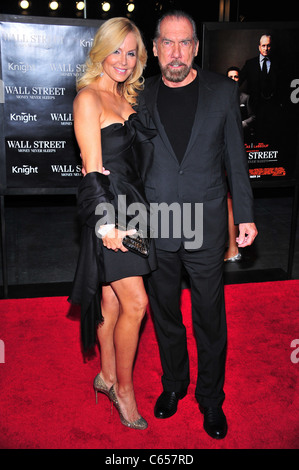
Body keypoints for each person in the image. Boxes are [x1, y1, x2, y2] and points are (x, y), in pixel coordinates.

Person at [136, 11, 258, 439]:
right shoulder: (140, 95)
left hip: (205, 223)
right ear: (154, 49)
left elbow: (236, 161)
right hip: (155, 222)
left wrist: (244, 214)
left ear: (196, 47)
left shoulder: (223, 91)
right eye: (167, 43)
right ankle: (174, 386)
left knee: (210, 316)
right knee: (165, 313)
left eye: (184, 42)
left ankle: (211, 398)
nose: (176, 52)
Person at [68, 17, 157, 430]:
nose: (123, 60)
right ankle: (124, 390)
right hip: (114, 216)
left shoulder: (129, 100)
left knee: (113, 302)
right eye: (116, 50)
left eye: (131, 52)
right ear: (101, 51)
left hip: (137, 212)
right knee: (137, 303)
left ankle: (105, 376)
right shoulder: (89, 98)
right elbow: (91, 171)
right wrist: (108, 229)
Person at [225, 66, 255, 262]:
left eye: (236, 77)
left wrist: (240, 125)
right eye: (230, 77)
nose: (234, 80)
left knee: (231, 202)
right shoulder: (220, 96)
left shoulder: (244, 97)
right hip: (222, 155)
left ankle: (233, 248)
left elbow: (254, 117)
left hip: (239, 155)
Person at [239, 34, 280, 142]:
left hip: (272, 109)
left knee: (271, 138)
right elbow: (238, 83)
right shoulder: (250, 64)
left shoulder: (278, 64)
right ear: (259, 47)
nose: (266, 49)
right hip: (254, 109)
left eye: (269, 46)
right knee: (256, 139)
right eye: (263, 45)